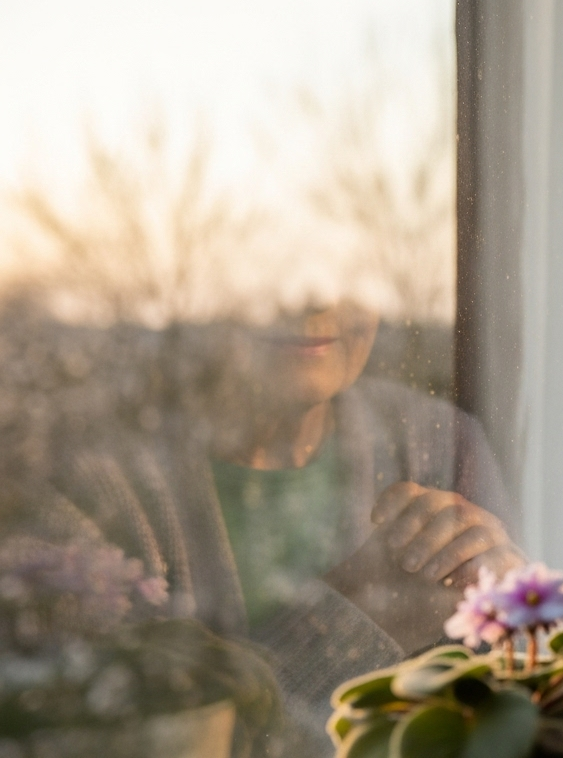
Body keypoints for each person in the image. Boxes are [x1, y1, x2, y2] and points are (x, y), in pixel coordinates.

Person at [38, 300, 520, 753]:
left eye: (348, 263)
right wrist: (360, 619)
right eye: (280, 266)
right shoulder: (89, 482)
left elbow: (536, 709)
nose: (318, 297)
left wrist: (515, 614)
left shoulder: (436, 443)